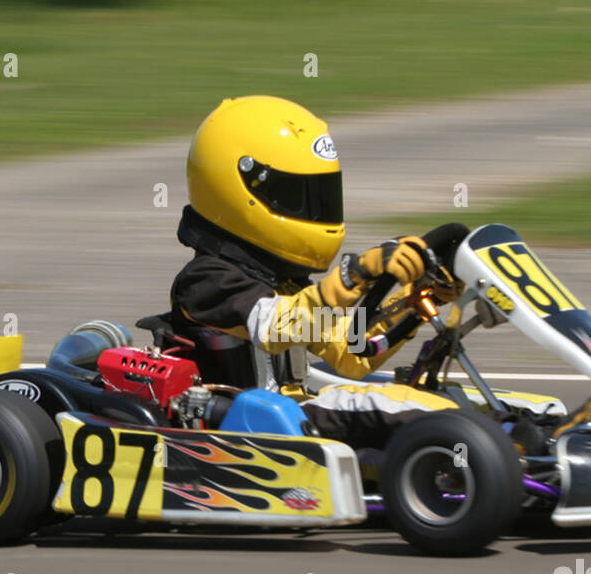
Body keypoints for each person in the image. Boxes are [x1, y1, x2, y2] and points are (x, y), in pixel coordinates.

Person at [167, 95, 459, 447]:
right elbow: (278, 326)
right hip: (249, 428)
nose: (316, 211)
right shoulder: (206, 281)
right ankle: (478, 447)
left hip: (290, 418)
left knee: (442, 401)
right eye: (298, 196)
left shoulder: (280, 282)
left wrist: (415, 301)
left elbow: (351, 353)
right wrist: (355, 276)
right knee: (423, 415)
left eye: (321, 196)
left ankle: (514, 438)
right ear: (236, 190)